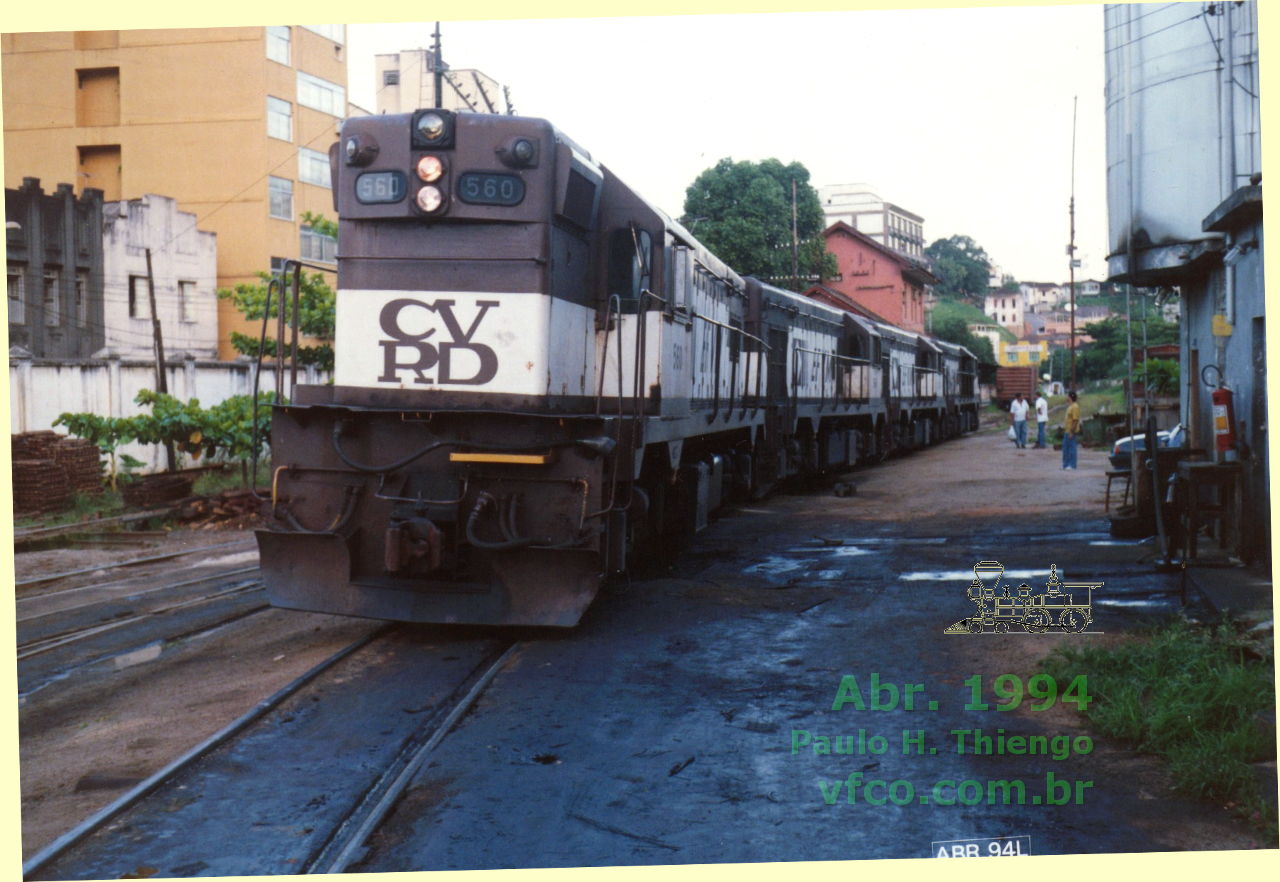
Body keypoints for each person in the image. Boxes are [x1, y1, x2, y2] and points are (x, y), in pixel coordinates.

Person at [1062, 390, 1081, 469]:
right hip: (1067, 431)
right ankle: (1065, 465)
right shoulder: (1070, 406)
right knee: (1065, 449)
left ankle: (1072, 465)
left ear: (1070, 397)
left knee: (1072, 449)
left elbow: (1075, 420)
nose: (1067, 397)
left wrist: (1071, 432)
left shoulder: (1075, 407)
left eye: (1068, 396)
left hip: (1070, 431)